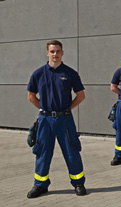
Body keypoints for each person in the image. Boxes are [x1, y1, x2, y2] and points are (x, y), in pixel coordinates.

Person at [26, 40, 87, 198]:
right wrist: (42, 108)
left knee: (71, 150)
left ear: (62, 53)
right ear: (47, 53)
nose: (55, 54)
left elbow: (81, 95)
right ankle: (40, 185)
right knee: (43, 152)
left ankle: (78, 183)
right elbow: (31, 96)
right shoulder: (38, 74)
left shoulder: (70, 73)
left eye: (58, 51)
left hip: (64, 119)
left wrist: (67, 109)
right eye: (52, 51)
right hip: (45, 120)